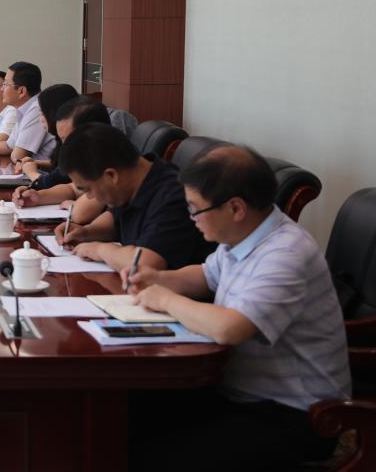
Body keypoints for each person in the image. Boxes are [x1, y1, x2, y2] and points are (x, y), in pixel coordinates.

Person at [125, 145, 349, 471]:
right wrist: (158, 278)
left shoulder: (286, 253)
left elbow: (231, 328)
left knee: (149, 457)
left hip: (295, 415)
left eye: (195, 209)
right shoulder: (243, 237)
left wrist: (165, 299)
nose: (191, 218)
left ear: (235, 208)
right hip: (237, 391)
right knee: (125, 415)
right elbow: (205, 275)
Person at [54, 123, 212, 271]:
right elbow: (114, 222)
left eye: (88, 189)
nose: (89, 197)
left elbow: (146, 263)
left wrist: (100, 250)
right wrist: (85, 232)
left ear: (111, 176)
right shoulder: (133, 183)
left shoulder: (173, 195)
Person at [13, 95, 111, 206]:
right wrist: (38, 197)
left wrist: (75, 207)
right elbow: (72, 189)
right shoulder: (84, 159)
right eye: (62, 140)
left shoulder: (107, 167)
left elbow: (82, 211)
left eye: (69, 140)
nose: (65, 147)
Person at [14, 83, 78, 176]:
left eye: (42, 113)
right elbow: (58, 166)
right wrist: (35, 163)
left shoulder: (75, 140)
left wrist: (32, 173)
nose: (41, 119)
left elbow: (59, 178)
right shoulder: (61, 137)